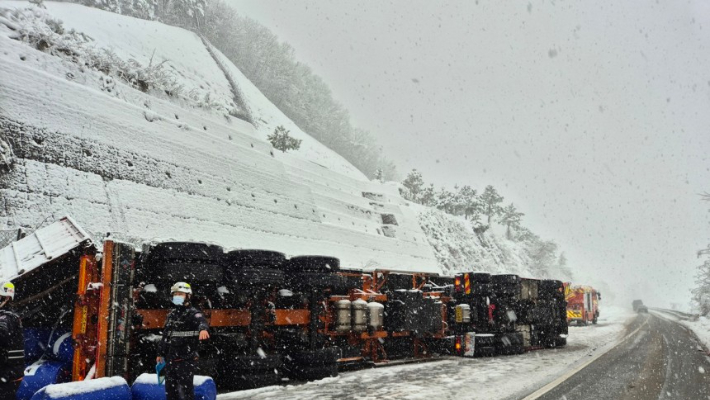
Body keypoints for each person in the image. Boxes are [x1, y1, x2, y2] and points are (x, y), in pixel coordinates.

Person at [157, 282, 210, 400]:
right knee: (170, 390)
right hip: (171, 358)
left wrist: (203, 329)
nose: (177, 296)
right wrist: (160, 353)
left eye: (180, 294)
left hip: (186, 358)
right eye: (175, 294)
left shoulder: (193, 313)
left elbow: (202, 321)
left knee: (186, 391)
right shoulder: (172, 315)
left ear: (188, 296)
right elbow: (166, 335)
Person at [0, 282, 24, 399]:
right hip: (9, 372)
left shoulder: (7, 317)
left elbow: (2, 334)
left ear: (6, 298)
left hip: (7, 373)